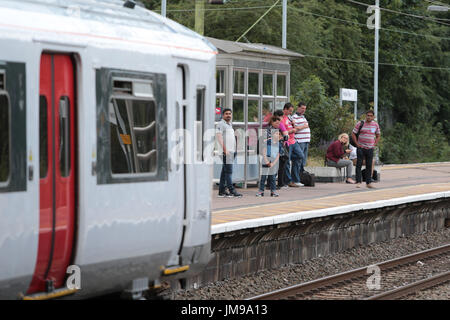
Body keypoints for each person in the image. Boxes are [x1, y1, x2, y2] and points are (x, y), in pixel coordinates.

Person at [216, 108, 242, 198]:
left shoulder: (229, 124)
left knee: (225, 171)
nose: (228, 115)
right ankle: (231, 190)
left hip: (231, 151)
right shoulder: (221, 124)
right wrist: (225, 150)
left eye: (230, 114)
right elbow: (219, 137)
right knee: (229, 172)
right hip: (226, 152)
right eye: (226, 114)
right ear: (223, 115)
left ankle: (221, 191)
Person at [351, 110, 380, 189]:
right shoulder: (360, 123)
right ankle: (358, 182)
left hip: (370, 148)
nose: (369, 117)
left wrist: (374, 144)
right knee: (359, 164)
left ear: (373, 117)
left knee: (369, 165)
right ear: (365, 116)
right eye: (368, 115)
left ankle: (368, 183)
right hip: (361, 147)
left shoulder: (375, 125)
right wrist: (357, 144)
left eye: (371, 116)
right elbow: (353, 133)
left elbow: (378, 135)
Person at [257, 116, 281, 197]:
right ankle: (261, 191)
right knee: (263, 176)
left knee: (273, 177)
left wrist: (273, 163)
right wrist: (266, 160)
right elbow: (263, 149)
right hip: (266, 159)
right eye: (277, 123)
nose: (278, 125)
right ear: (272, 122)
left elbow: (278, 154)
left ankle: (273, 191)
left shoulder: (278, 143)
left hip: (273, 160)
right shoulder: (267, 134)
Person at [281, 103, 304, 187]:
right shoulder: (282, 119)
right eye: (289, 111)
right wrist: (293, 130)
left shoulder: (289, 118)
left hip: (293, 140)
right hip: (287, 142)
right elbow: (284, 131)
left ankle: (295, 179)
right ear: (285, 109)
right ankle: (288, 181)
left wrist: (294, 126)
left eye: (291, 111)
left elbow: (292, 127)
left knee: (300, 156)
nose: (291, 112)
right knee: (287, 161)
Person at [292, 102, 310, 175]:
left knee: (304, 159)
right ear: (298, 108)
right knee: (299, 158)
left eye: (305, 109)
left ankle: (301, 172)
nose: (303, 110)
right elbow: (295, 128)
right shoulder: (294, 117)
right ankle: (297, 174)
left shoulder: (303, 117)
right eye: (302, 108)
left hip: (306, 140)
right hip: (300, 141)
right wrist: (304, 126)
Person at [274, 109, 289, 188]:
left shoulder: (272, 124)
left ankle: (274, 183)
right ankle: (280, 183)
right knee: (281, 166)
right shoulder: (280, 124)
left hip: (276, 146)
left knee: (277, 165)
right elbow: (286, 135)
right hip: (281, 146)